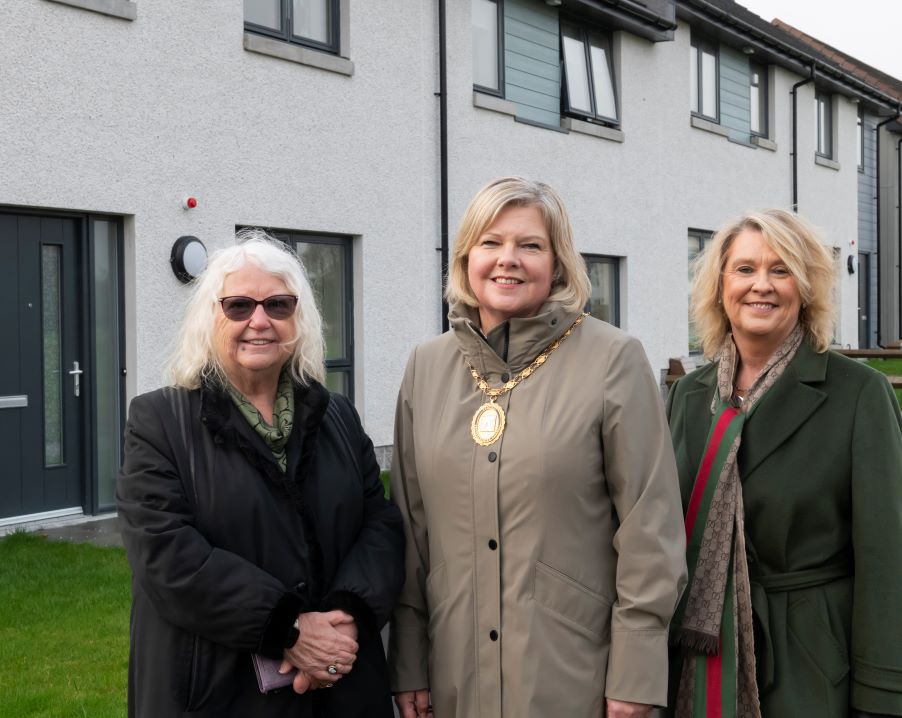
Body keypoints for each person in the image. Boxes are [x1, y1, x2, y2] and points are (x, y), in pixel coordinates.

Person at [388, 176, 688, 718]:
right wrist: (408, 659)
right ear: (465, 258)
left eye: (530, 245)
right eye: (491, 243)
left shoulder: (613, 359)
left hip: (574, 673)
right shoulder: (425, 367)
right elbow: (412, 530)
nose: (509, 260)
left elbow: (651, 527)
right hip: (453, 673)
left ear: (558, 263)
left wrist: (636, 675)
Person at [117, 230, 404, 718]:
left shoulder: (336, 413)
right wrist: (287, 630)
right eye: (238, 306)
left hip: (340, 686)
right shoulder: (159, 421)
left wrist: (347, 617)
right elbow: (167, 554)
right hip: (217, 692)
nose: (259, 321)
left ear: (299, 318)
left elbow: (380, 525)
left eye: (278, 304)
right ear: (211, 318)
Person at [666, 209, 902, 717]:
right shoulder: (689, 395)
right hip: (696, 655)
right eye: (745, 269)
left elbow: (883, 562)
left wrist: (880, 697)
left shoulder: (859, 395)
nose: (762, 286)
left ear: (806, 288)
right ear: (719, 286)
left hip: (810, 664)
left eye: (781, 270)